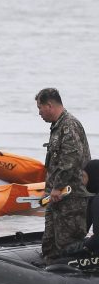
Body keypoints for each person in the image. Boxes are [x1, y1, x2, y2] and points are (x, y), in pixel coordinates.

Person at [35, 88, 92, 262]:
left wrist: (58, 187)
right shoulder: (57, 127)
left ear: (49, 105)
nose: (39, 113)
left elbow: (70, 160)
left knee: (67, 244)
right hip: (56, 197)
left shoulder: (69, 125)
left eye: (40, 108)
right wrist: (50, 190)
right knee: (50, 244)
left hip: (71, 198)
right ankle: (49, 269)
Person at [82, 160, 99, 253]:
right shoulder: (94, 198)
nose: (82, 182)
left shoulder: (97, 200)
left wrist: (83, 246)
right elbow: (85, 227)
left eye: (84, 177)